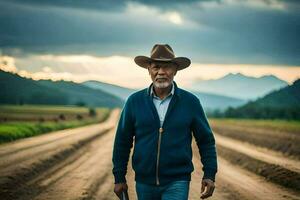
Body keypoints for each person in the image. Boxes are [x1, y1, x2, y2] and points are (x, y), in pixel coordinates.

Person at [112, 44, 218, 200]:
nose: (161, 72)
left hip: (178, 181)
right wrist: (119, 177)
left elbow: (206, 141)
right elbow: (122, 141)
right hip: (144, 182)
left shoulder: (190, 102)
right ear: (148, 70)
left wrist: (209, 174)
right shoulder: (134, 102)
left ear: (175, 70)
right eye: (156, 67)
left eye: (167, 67)